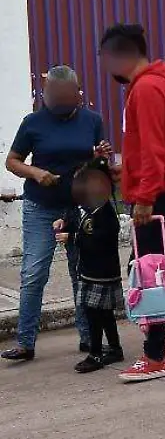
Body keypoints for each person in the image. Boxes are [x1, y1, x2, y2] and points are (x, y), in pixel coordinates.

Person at [99, 23, 165, 383]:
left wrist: (144, 198)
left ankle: (156, 354)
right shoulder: (149, 85)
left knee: (149, 272)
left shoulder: (148, 89)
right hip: (163, 190)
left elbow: (154, 150)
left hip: (160, 195)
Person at [1, 66, 109, 362]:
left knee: (81, 273)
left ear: (77, 94)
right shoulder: (33, 123)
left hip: (78, 207)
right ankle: (25, 342)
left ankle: (89, 338)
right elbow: (12, 162)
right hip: (41, 207)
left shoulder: (92, 121)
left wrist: (99, 159)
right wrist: (36, 173)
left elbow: (99, 164)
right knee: (34, 273)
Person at [54, 158, 124, 373]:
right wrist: (64, 222)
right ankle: (114, 348)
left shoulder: (106, 213)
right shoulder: (88, 209)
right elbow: (79, 222)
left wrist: (72, 237)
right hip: (90, 271)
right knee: (102, 313)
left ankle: (95, 352)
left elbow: (100, 238)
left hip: (102, 273)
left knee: (96, 313)